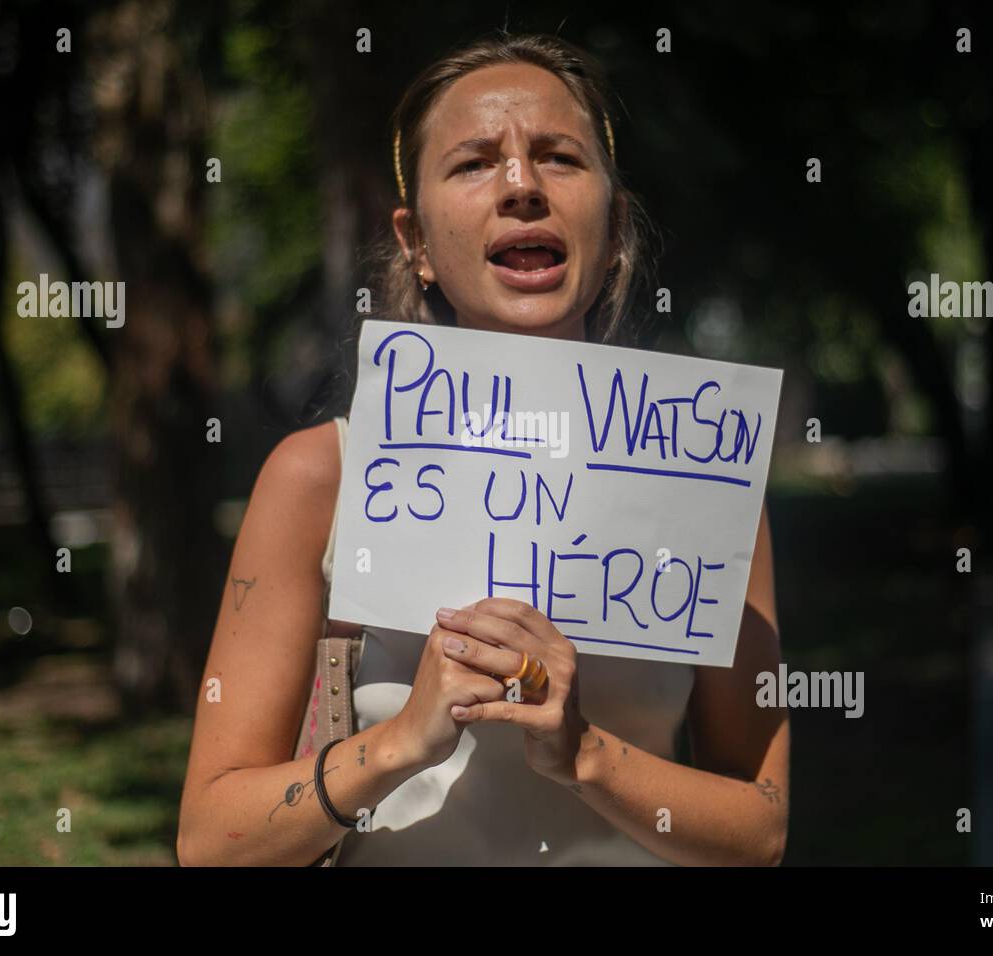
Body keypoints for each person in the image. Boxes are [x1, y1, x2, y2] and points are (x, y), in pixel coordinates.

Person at [176, 32, 789, 866]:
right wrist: (397, 744)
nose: (521, 186)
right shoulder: (321, 476)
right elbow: (213, 841)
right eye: (472, 163)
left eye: (559, 158)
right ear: (416, 242)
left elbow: (761, 831)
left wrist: (586, 754)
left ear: (612, 228)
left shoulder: (707, 479)